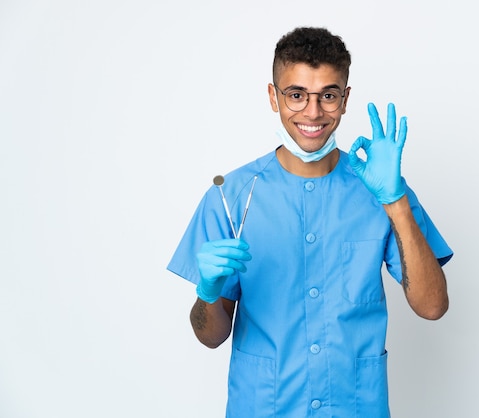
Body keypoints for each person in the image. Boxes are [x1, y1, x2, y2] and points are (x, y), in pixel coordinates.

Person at [167, 26, 453, 417]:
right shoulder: (230, 198)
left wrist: (396, 202)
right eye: (296, 95)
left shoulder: (382, 190)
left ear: (345, 99)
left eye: (328, 96)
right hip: (264, 407)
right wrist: (209, 291)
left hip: (356, 407)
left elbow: (433, 306)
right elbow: (210, 336)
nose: (313, 112)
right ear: (273, 96)